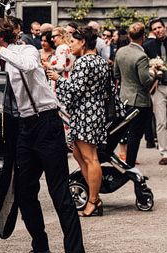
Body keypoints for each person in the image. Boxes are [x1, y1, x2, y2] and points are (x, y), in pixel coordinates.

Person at [0, 17, 86, 253]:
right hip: (23, 127)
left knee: (58, 189)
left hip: (46, 121)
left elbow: (28, 66)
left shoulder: (25, 50)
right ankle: (41, 250)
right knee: (24, 191)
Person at [51, 26, 115, 217]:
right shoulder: (101, 62)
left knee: (90, 157)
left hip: (86, 112)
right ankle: (94, 197)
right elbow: (109, 88)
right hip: (92, 111)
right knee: (79, 154)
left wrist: (57, 79)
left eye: (73, 41)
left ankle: (94, 200)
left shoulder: (84, 62)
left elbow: (74, 89)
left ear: (83, 42)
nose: (70, 45)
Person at [113, 23, 154, 169]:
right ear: (143, 36)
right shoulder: (141, 56)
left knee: (122, 131)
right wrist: (155, 74)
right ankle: (129, 166)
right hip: (139, 100)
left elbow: (116, 74)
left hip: (124, 97)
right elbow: (145, 81)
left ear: (129, 36)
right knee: (135, 136)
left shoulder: (120, 52)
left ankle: (122, 161)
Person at [144, 18, 167, 164]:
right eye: (155, 29)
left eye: (160, 27)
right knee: (161, 121)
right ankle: (164, 153)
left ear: (165, 27)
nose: (158, 30)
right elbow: (144, 67)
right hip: (159, 87)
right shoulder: (148, 46)